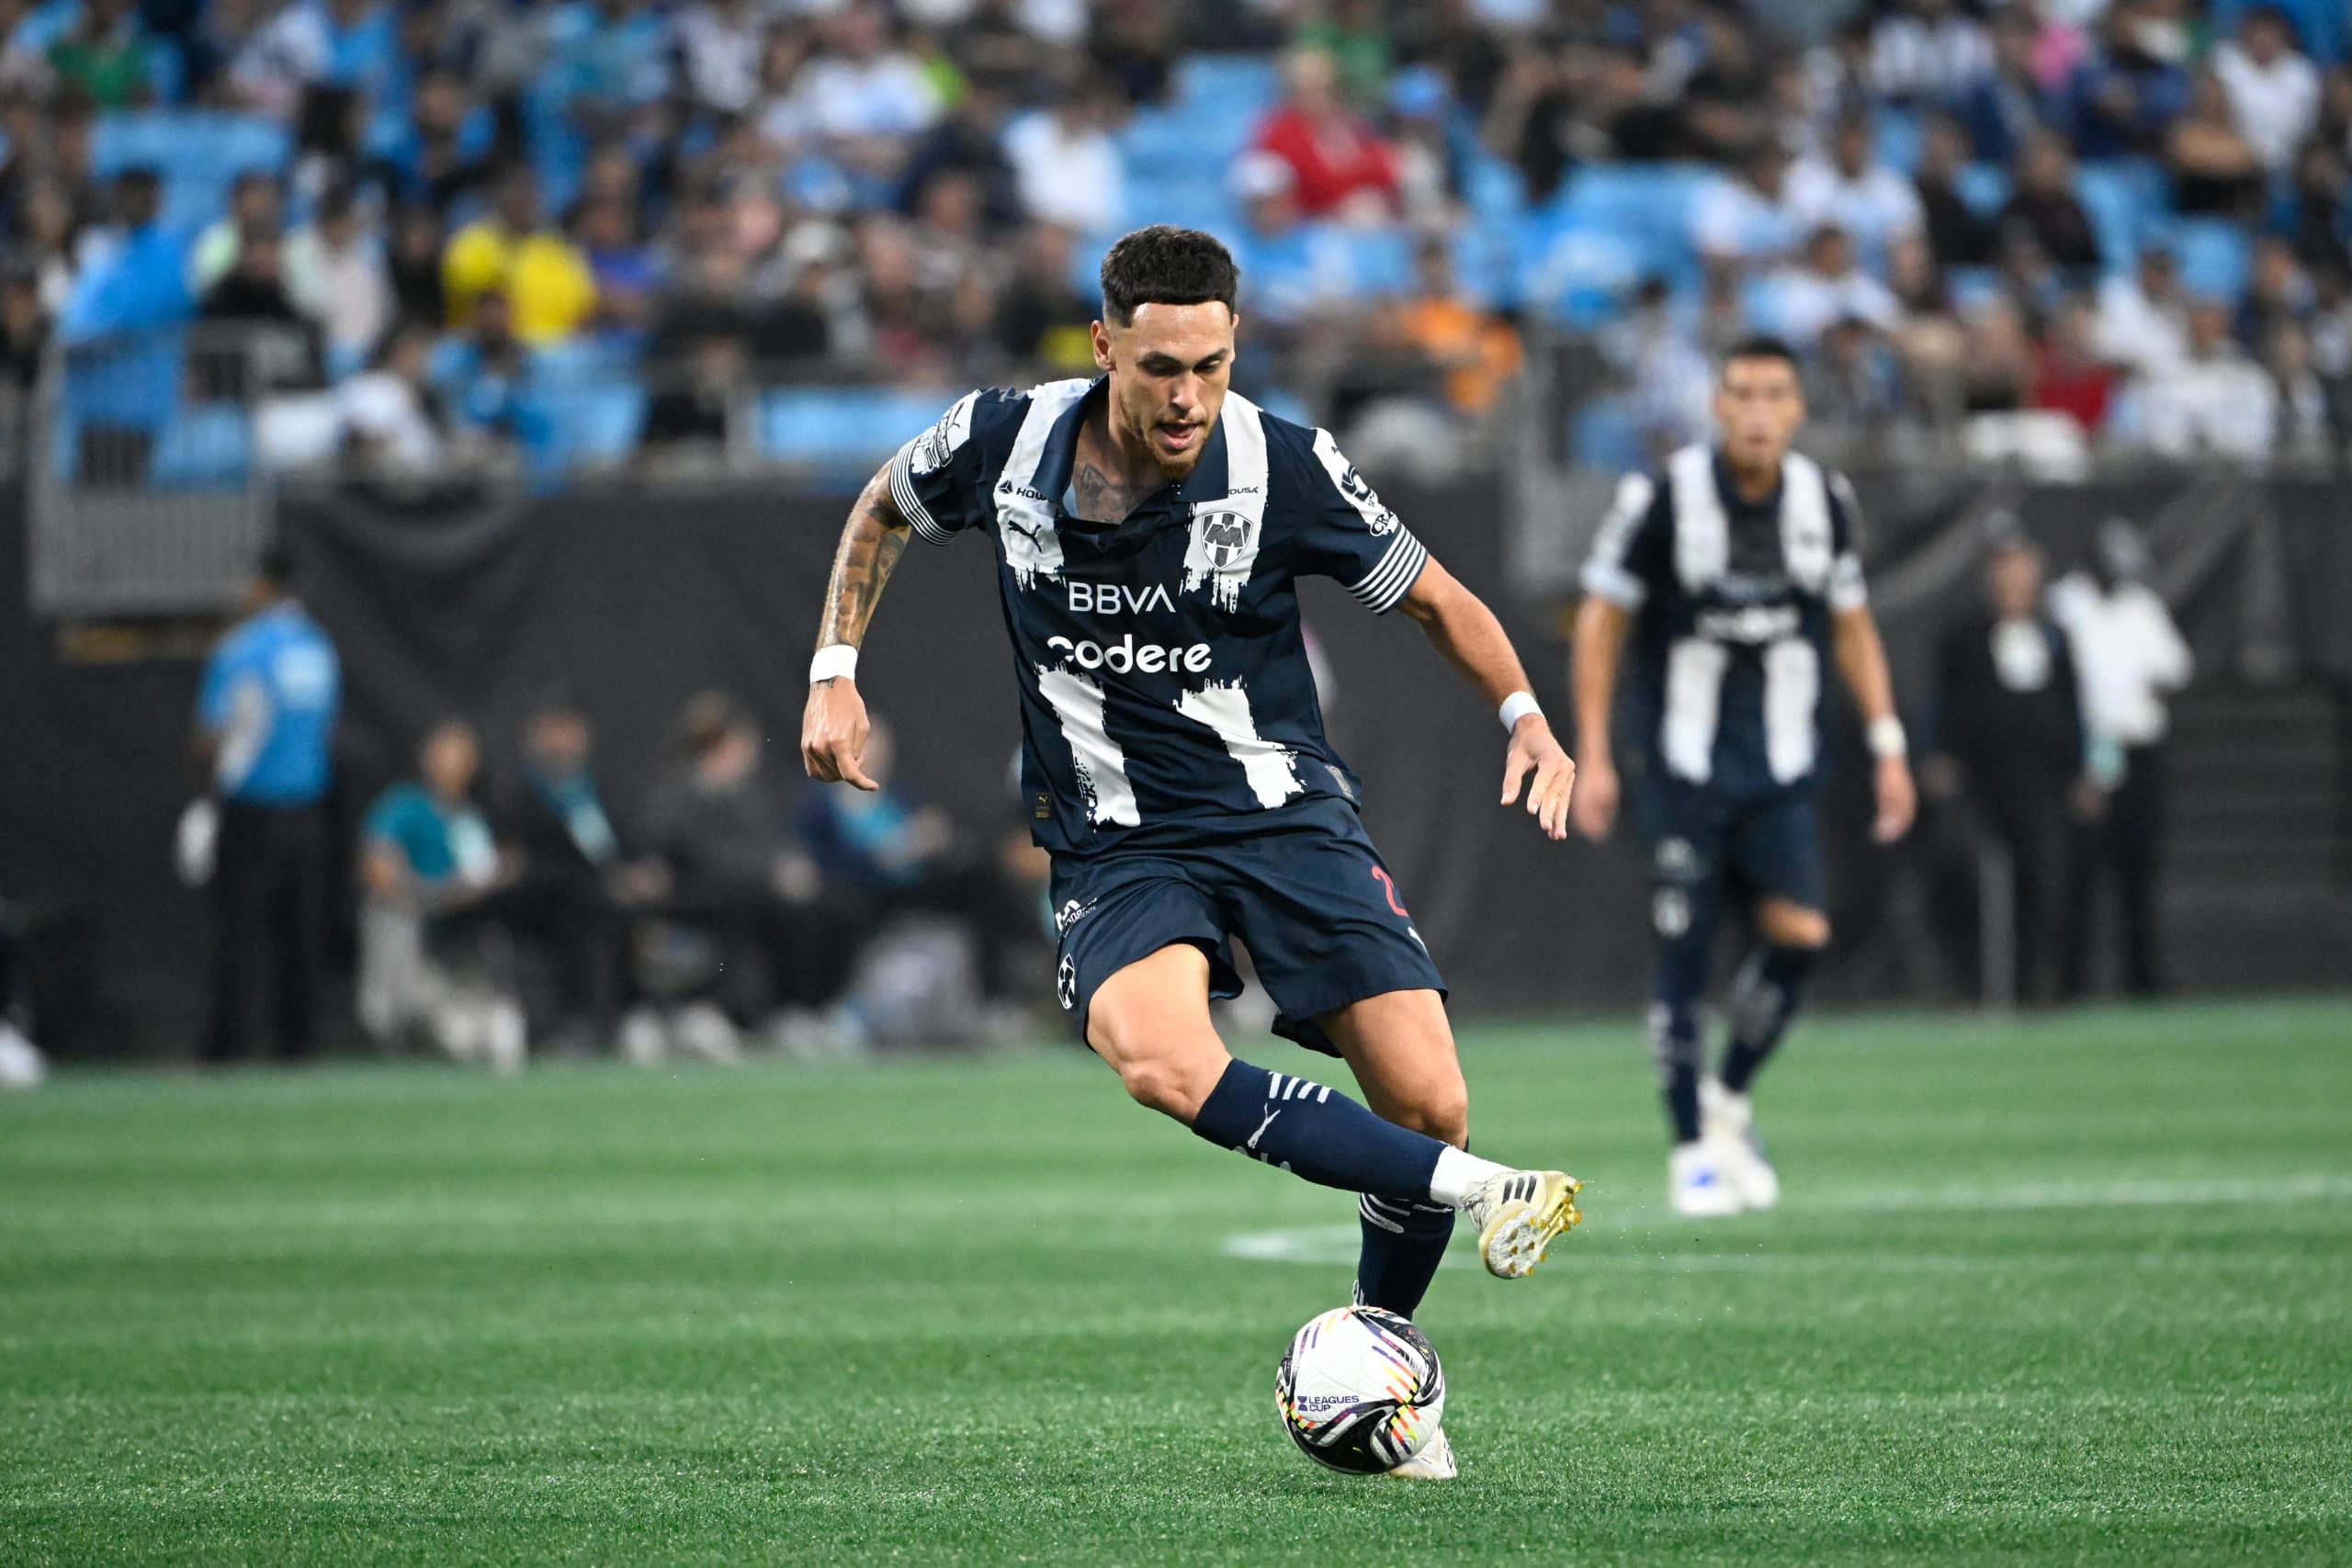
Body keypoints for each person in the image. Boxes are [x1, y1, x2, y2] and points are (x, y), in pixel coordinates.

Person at [798, 226, 1582, 1482]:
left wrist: (1525, 713)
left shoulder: (1286, 463)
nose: (1186, 396)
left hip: (1280, 815)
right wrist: (835, 670)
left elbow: (1437, 595)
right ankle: (1486, 1190)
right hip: (1114, 836)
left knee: (1428, 1096)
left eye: (1211, 364)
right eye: (1160, 366)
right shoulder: (1002, 442)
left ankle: (1388, 1356)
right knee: (1160, 1057)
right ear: (1105, 345)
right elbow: (881, 508)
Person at [1570, 336, 1917, 1217]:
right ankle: (1690, 1150)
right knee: (1683, 959)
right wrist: (1595, 750)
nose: (1758, 410)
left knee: (1801, 934)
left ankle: (1728, 1096)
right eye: (1742, 393)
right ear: (1717, 406)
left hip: (1782, 766)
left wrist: (1887, 740)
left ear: (1799, 409)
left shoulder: (1824, 500)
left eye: (1775, 394)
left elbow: (1850, 623)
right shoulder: (1663, 497)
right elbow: (1600, 620)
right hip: (1682, 767)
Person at [1922, 533, 2092, 1008]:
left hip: (2042, 781)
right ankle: (1974, 983)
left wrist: (2083, 769)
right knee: (1966, 872)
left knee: (2047, 878)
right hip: (1980, 780)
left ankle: (2038, 984)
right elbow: (1941, 703)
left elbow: (2074, 708)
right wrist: (1938, 757)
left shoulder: (2055, 636)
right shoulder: (1964, 637)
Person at [195, 546, 341, 1063]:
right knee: (297, 932)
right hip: (306, 808)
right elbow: (323, 731)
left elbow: (211, 734)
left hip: (251, 806)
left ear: (263, 586)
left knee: (234, 929)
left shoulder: (242, 650)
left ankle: (225, 1047)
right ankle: (295, 1047)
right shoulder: (318, 649)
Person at [2050, 519, 2191, 998]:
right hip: (2087, 751)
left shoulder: (2141, 608)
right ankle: (2073, 981)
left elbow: (2174, 668)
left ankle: (2142, 976)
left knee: (2138, 869)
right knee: (2081, 872)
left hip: (2138, 751)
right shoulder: (2067, 606)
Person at [356, 720, 526, 1070]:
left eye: (463, 755)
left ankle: (484, 1011)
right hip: (413, 916)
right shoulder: (405, 805)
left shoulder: (470, 818)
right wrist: (431, 896)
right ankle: (392, 1018)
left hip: (454, 925)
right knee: (389, 914)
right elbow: (378, 870)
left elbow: (478, 880)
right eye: (447, 753)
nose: (454, 763)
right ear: (428, 757)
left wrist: (491, 879)